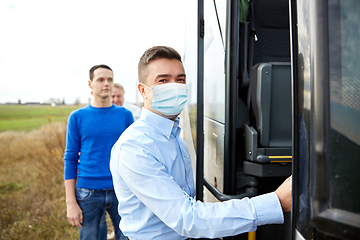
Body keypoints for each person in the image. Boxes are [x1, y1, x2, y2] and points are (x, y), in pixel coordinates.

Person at [110, 46, 292, 240]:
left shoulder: (174, 138)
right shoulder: (135, 148)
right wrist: (276, 202)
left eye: (180, 79)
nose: (175, 86)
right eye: (163, 80)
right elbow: (187, 218)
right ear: (143, 91)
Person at [64, 64, 133, 240]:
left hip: (122, 189)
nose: (106, 83)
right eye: (100, 79)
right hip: (88, 192)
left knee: (128, 237)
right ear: (90, 84)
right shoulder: (77, 117)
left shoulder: (125, 116)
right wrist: (71, 202)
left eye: (110, 79)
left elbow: (134, 156)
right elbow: (71, 158)